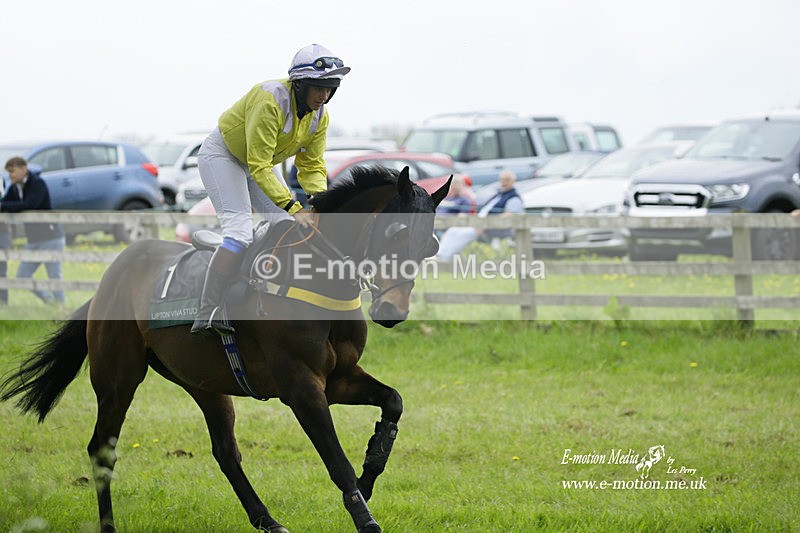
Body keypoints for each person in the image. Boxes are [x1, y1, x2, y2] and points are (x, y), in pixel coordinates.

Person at [191, 44, 350, 335]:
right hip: (223, 156)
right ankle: (208, 310)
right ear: (300, 85)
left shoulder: (320, 116)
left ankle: (278, 296)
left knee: (290, 227)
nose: (324, 96)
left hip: (257, 163)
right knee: (239, 231)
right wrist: (294, 206)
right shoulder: (270, 99)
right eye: (318, 87)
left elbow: (312, 165)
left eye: (330, 88)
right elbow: (259, 165)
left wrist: (319, 203)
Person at [1, 157, 66, 304]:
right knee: (22, 276)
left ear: (24, 168)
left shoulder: (37, 183)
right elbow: (4, 203)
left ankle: (61, 307)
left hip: (51, 237)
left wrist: (6, 206)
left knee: (54, 275)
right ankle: (50, 301)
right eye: (8, 172)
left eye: (12, 171)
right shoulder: (14, 188)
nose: (10, 175)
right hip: (33, 239)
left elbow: (30, 204)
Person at [435, 170, 523, 262]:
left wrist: (484, 224)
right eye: (502, 180)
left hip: (492, 228)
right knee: (453, 230)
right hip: (479, 225)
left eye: (507, 180)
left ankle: (444, 259)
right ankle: (439, 255)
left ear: (513, 182)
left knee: (462, 234)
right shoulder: (500, 195)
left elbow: (509, 216)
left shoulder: (513, 198)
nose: (504, 182)